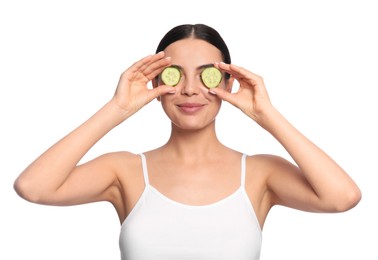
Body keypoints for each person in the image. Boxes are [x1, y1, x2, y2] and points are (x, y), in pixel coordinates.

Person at [14, 24, 361, 260]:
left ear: (227, 82)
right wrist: (117, 108)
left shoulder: (259, 173)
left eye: (206, 75)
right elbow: (33, 187)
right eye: (174, 75)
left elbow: (342, 197)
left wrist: (265, 114)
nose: (190, 89)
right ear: (154, 83)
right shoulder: (123, 169)